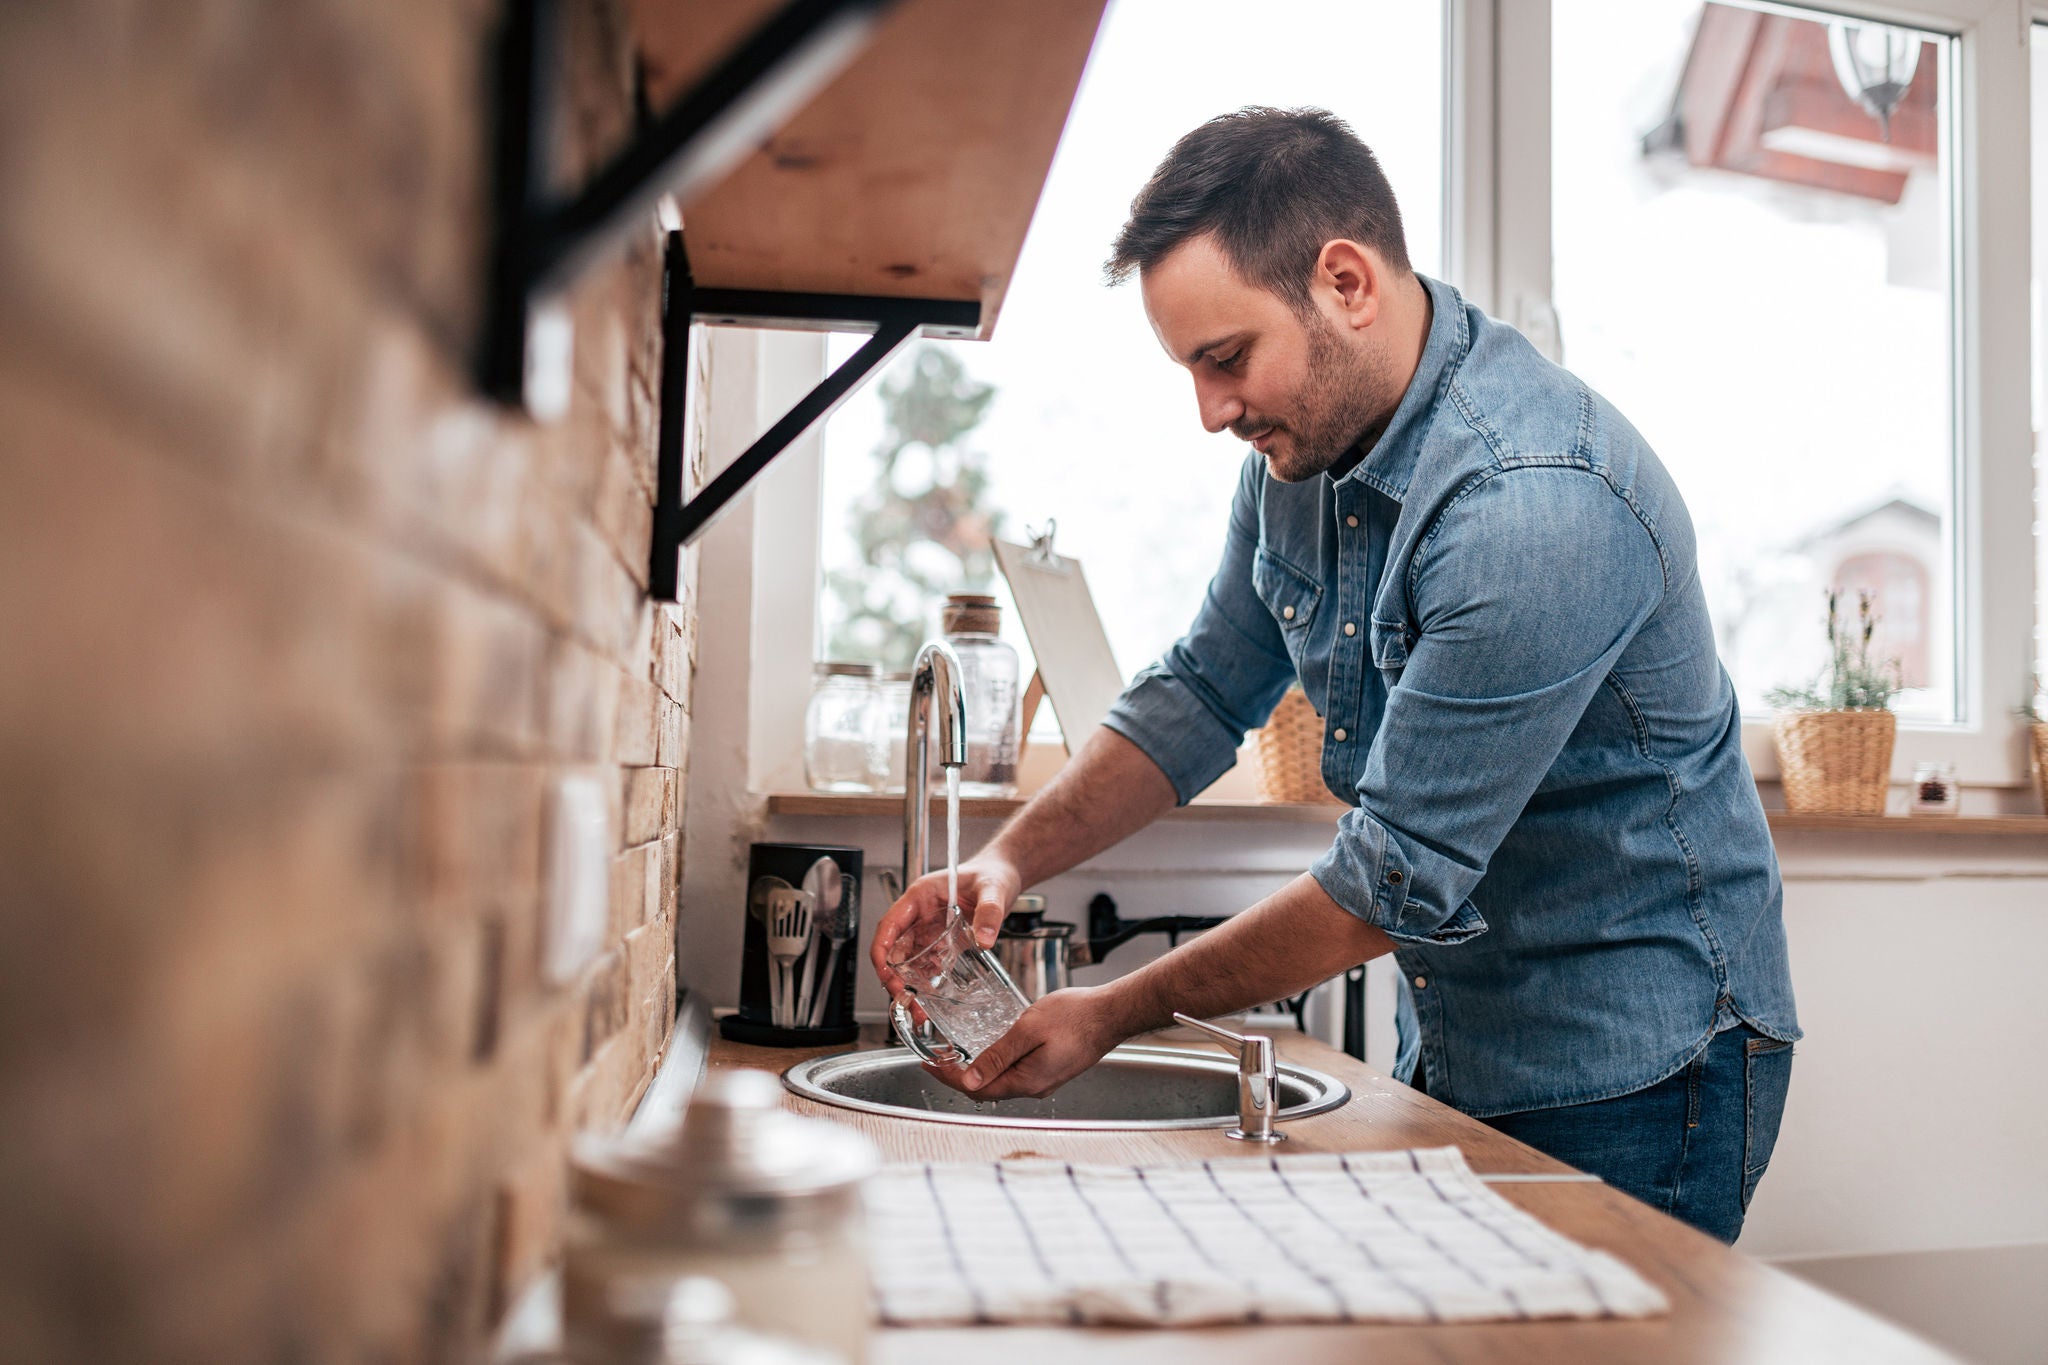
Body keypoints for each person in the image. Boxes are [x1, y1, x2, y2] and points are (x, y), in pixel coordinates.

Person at [870, 107, 1799, 1244]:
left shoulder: (1532, 505)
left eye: (1224, 358)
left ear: (1346, 283)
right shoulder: (1302, 460)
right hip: (1461, 1033)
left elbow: (1384, 883)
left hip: (1637, 1064)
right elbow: (1202, 691)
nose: (1211, 412)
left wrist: (1112, 1012)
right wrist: (1003, 861)